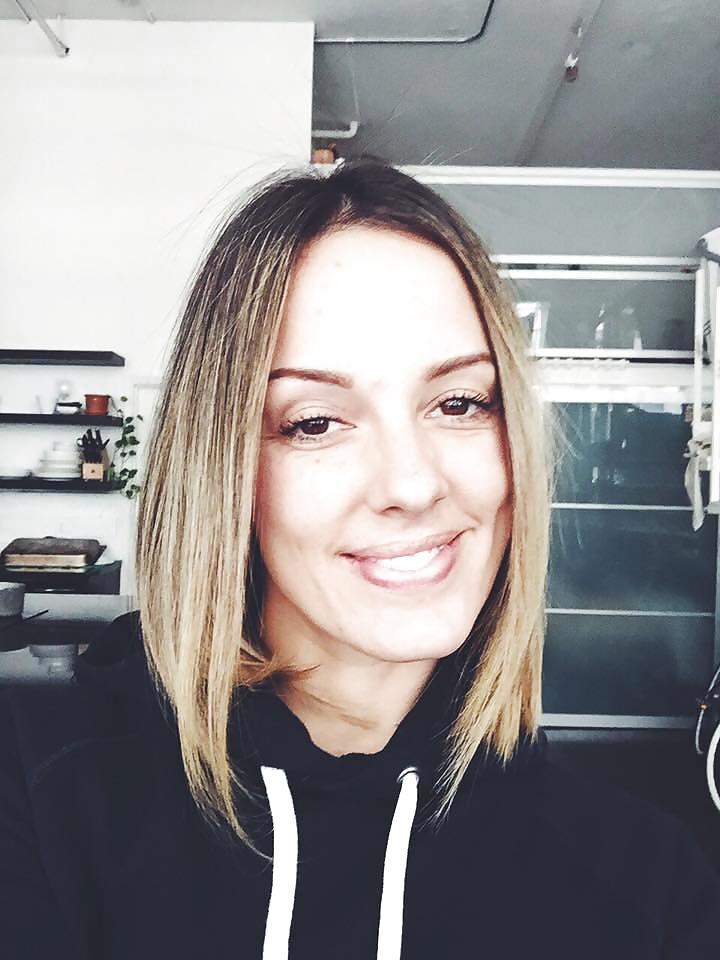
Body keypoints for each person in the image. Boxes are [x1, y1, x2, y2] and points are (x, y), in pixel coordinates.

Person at [1, 160, 719, 960]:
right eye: (314, 422)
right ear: (223, 468)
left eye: (459, 403)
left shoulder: (648, 885)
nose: (412, 485)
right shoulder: (38, 797)